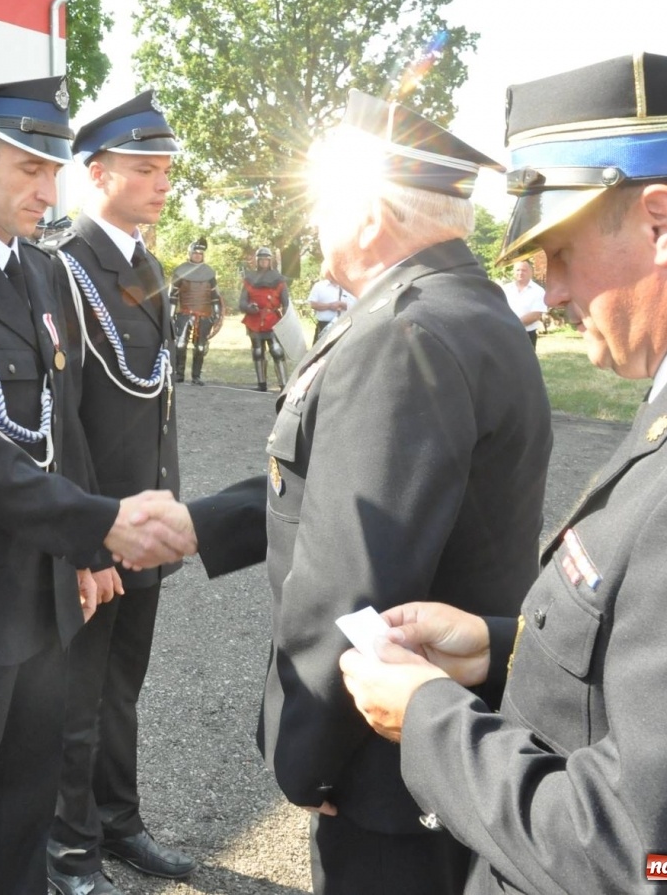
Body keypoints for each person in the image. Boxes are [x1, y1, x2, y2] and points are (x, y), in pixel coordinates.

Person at [338, 54, 667, 895]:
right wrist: (500, 648)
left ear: (662, 222)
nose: (546, 289)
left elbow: (660, 857)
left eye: (558, 250)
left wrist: (425, 719)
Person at [181, 91, 552, 895]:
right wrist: (198, 523)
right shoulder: (463, 306)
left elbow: (355, 579)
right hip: (441, 745)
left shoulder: (406, 333)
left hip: (388, 771)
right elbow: (330, 482)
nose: (315, 221)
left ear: (371, 211)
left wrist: (305, 759)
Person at [0, 74, 197, 895]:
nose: (46, 190)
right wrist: (103, 523)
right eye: (28, 170)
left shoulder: (39, 273)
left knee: (23, 827)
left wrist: (87, 548)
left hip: (44, 600)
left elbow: (64, 431)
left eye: (54, 172)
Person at [44, 89, 198, 894]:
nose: (162, 183)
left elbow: (153, 399)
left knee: (121, 689)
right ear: (97, 173)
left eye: (167, 170)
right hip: (102, 527)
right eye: (146, 169)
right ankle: (67, 847)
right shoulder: (65, 265)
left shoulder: (144, 264)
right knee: (76, 696)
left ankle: (118, 820)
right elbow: (60, 419)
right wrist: (85, 538)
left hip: (144, 522)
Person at [168, 239, 220, 385]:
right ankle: (179, 374)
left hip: (204, 314)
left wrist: (216, 314)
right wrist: (170, 315)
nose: (197, 255)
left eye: (200, 253)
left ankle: (196, 376)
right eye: (195, 253)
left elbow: (215, 297)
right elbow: (173, 296)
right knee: (180, 345)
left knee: (201, 346)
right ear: (190, 254)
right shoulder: (180, 271)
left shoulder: (209, 272)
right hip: (185, 313)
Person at [240, 246, 290, 391]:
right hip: (254, 320)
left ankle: (284, 385)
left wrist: (286, 319)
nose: (263, 262)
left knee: (277, 351)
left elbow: (285, 302)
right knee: (257, 351)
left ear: (270, 261)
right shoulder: (249, 279)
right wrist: (249, 308)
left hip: (272, 319)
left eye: (266, 260)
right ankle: (261, 384)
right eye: (261, 260)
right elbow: (242, 302)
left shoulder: (279, 280)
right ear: (257, 261)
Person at [501, 258, 548, 347]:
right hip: (506, 333)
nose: (520, 273)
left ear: (531, 272)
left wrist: (512, 325)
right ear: (513, 272)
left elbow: (535, 315)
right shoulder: (505, 289)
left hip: (527, 335)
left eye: (524, 270)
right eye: (518, 270)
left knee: (526, 361)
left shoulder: (538, 291)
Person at [304, 275, 353, 344]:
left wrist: (342, 304)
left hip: (344, 325)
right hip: (324, 326)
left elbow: (356, 305)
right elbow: (312, 304)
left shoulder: (349, 287)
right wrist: (329, 306)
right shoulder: (319, 286)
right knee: (319, 352)